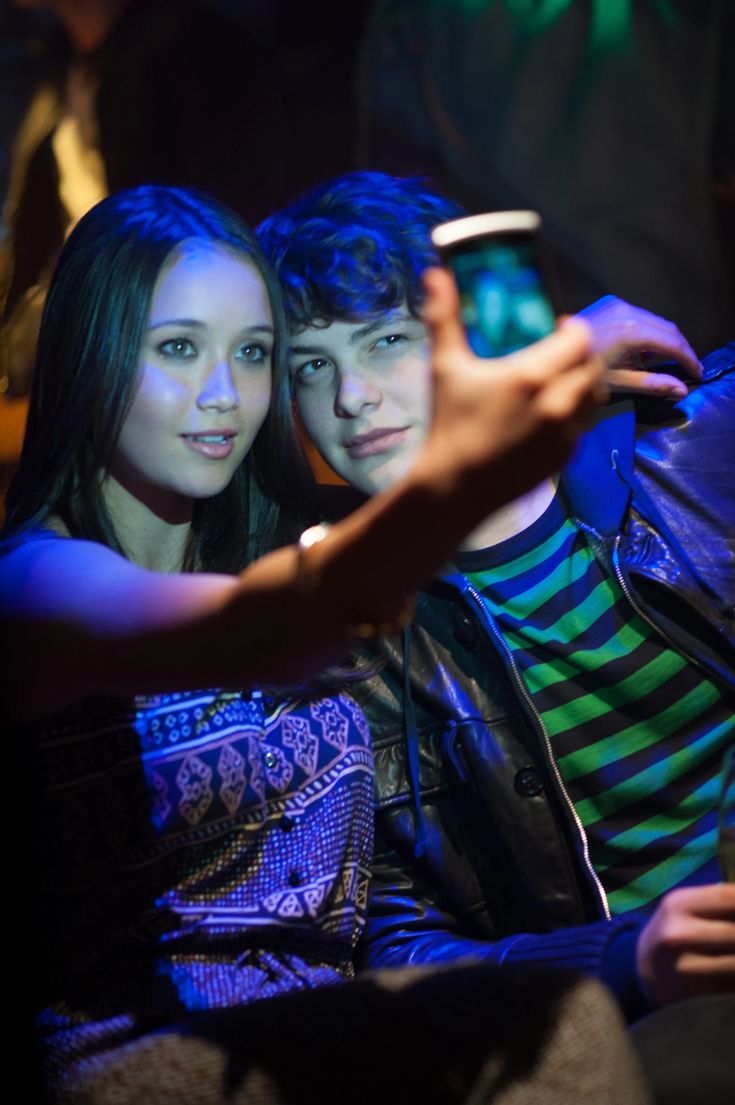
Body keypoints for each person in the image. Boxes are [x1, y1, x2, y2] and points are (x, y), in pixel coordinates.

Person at [2, 184, 651, 1105]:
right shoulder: (36, 585)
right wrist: (467, 467)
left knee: (561, 1024)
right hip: (145, 1052)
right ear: (92, 356)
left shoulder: (291, 543)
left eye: (256, 354)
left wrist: (556, 352)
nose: (225, 395)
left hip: (343, 1023)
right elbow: (252, 632)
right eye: (179, 349)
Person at [257, 171, 735, 1104]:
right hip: (630, 1032)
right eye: (311, 364)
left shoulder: (692, 446)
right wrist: (623, 959)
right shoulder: (346, 648)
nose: (350, 395)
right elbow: (391, 948)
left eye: (386, 339)